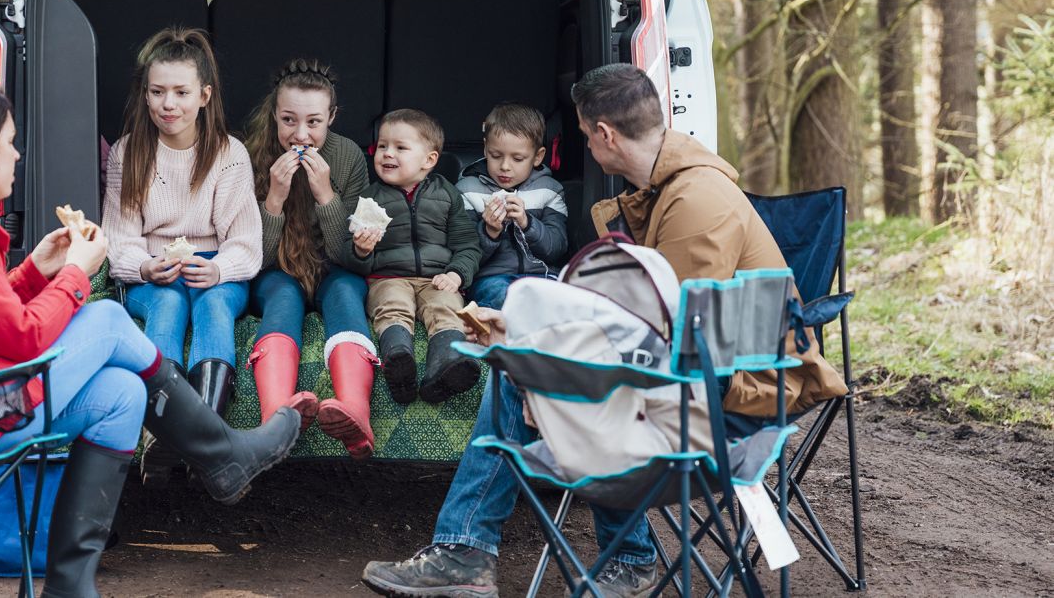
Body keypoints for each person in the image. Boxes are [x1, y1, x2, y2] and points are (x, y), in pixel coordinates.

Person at [362, 63, 833, 598]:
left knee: (540, 378)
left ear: (605, 134)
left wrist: (549, 362)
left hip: (740, 382)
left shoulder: (695, 200)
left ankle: (541, 556)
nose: (587, 146)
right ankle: (481, 553)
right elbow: (633, 310)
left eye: (586, 135)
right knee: (520, 365)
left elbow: (671, 335)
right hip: (700, 361)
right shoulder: (663, 188)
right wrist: (524, 331)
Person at [0, 78, 299, 598]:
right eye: (9, 141)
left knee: (122, 395)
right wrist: (77, 273)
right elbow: (22, 338)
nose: (16, 153)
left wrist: (36, 270)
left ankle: (69, 587)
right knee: (107, 319)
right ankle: (221, 454)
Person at [101, 27, 264, 486]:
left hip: (215, 267)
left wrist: (218, 269)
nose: (168, 104)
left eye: (181, 92)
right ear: (145, 94)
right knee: (168, 305)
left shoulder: (229, 154)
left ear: (204, 96)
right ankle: (162, 434)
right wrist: (143, 267)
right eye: (157, 92)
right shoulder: (129, 152)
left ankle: (204, 437)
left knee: (213, 306)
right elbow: (118, 236)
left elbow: (245, 240)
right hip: (153, 269)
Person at [243, 59, 379, 459]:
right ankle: (274, 418)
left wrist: (325, 196)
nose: (300, 134)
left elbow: (350, 257)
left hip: (333, 269)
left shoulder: (348, 155)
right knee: (283, 298)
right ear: (274, 114)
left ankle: (355, 411)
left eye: (314, 122)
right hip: (276, 271)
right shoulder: (251, 155)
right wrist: (274, 199)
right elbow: (253, 261)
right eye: (288, 120)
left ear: (331, 117)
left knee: (346, 292)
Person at [337, 108, 482, 405]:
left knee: (447, 308)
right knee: (392, 305)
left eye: (400, 147)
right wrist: (361, 250)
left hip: (437, 277)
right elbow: (346, 251)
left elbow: (468, 244)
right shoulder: (370, 198)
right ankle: (398, 360)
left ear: (429, 160)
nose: (387, 153)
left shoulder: (447, 194)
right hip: (388, 276)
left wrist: (456, 274)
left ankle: (446, 367)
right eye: (382, 146)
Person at [454, 103, 569, 309]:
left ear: (538, 156)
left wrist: (527, 223)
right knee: (504, 297)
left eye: (517, 159)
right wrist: (489, 231)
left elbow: (557, 248)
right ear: (485, 149)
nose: (505, 166)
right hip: (491, 277)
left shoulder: (549, 191)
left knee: (559, 300)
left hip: (542, 274)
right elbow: (463, 253)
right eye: (496, 156)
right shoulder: (468, 191)